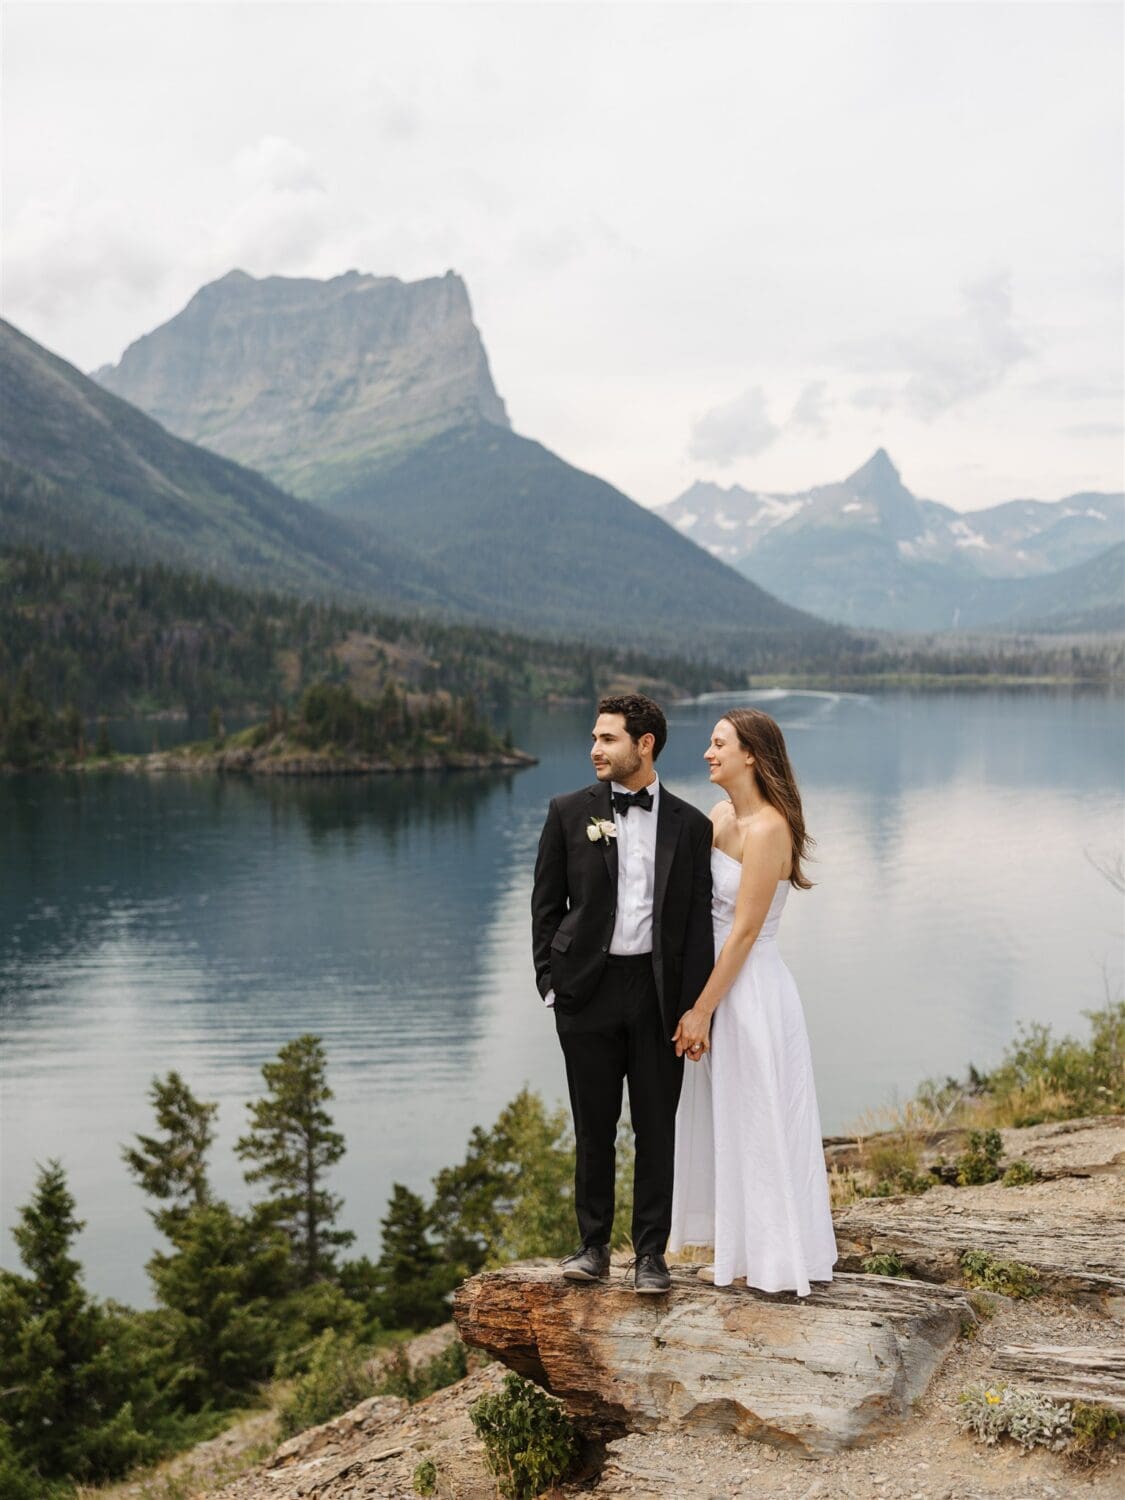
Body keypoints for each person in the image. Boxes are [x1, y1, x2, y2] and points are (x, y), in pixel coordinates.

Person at [532, 694, 714, 1293]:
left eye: (607, 738)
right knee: (593, 1126)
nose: (594, 749)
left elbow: (695, 926)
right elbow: (545, 906)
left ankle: (651, 1256)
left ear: (645, 744)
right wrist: (550, 985)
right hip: (587, 991)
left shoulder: (692, 825)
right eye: (593, 737)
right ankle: (592, 1247)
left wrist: (693, 1008)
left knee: (656, 1126)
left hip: (657, 996)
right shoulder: (566, 812)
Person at [669, 708, 837, 1296]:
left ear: (751, 756)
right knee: (728, 1118)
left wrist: (701, 1009)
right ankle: (736, 1249)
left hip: (751, 990)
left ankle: (778, 1257)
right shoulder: (719, 816)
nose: (708, 753)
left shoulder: (770, 829)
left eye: (719, 744)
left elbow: (742, 932)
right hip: (714, 983)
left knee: (762, 1114)